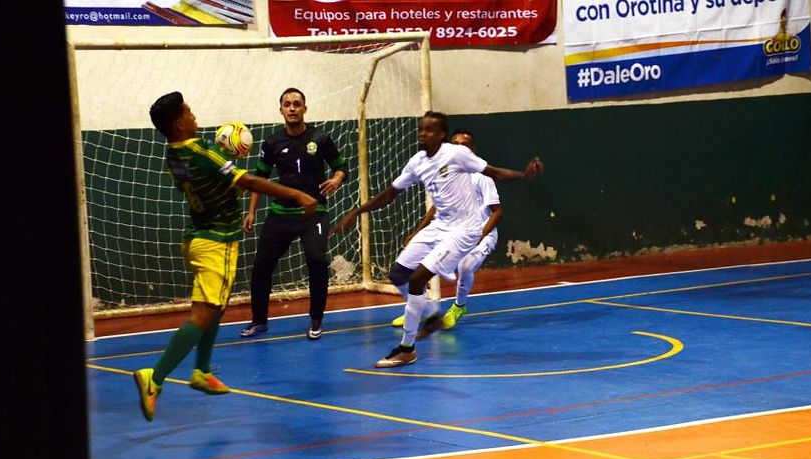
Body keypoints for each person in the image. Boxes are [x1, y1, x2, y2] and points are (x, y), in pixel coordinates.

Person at [135, 91, 318, 422]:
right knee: (202, 315)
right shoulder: (200, 151)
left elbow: (215, 181)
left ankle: (202, 371)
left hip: (199, 237)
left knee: (216, 306)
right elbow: (247, 180)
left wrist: (227, 175)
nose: (194, 116)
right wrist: (296, 194)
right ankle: (155, 377)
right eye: (189, 113)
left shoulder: (174, 153)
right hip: (214, 242)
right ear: (179, 124)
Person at [331, 111, 543, 368]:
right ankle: (432, 315)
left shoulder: (456, 154)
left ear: (442, 134)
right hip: (439, 226)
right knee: (398, 273)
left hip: (464, 230)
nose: (422, 134)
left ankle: (406, 349)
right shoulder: (418, 162)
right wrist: (357, 212)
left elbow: (494, 172)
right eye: (421, 129)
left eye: (429, 130)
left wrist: (524, 175)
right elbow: (390, 194)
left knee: (417, 279)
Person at [238, 87, 348, 340]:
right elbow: (259, 179)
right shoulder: (272, 143)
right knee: (261, 266)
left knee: (316, 260)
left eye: (297, 104)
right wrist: (251, 212)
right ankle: (259, 321)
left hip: (314, 212)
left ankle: (316, 319)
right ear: (281, 110)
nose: (292, 108)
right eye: (287, 104)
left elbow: (342, 167)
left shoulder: (321, 139)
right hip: (281, 214)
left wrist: (336, 179)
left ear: (304, 109)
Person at [390, 129, 501, 331]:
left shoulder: (482, 176)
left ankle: (459, 306)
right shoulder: (448, 173)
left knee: (465, 266)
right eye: (455, 144)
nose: (459, 148)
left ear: (473, 149)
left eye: (464, 145)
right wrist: (418, 232)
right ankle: (421, 309)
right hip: (452, 230)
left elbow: (497, 212)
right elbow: (436, 208)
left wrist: (480, 236)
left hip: (482, 233)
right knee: (417, 266)